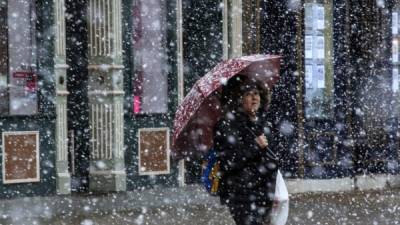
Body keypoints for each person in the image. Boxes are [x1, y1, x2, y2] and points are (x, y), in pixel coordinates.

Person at [214, 75, 278, 225]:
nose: (254, 98)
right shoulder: (226, 125)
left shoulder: (264, 123)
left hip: (264, 192)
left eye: (256, 93)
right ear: (239, 99)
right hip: (240, 193)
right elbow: (228, 162)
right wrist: (254, 146)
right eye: (248, 94)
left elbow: (270, 156)